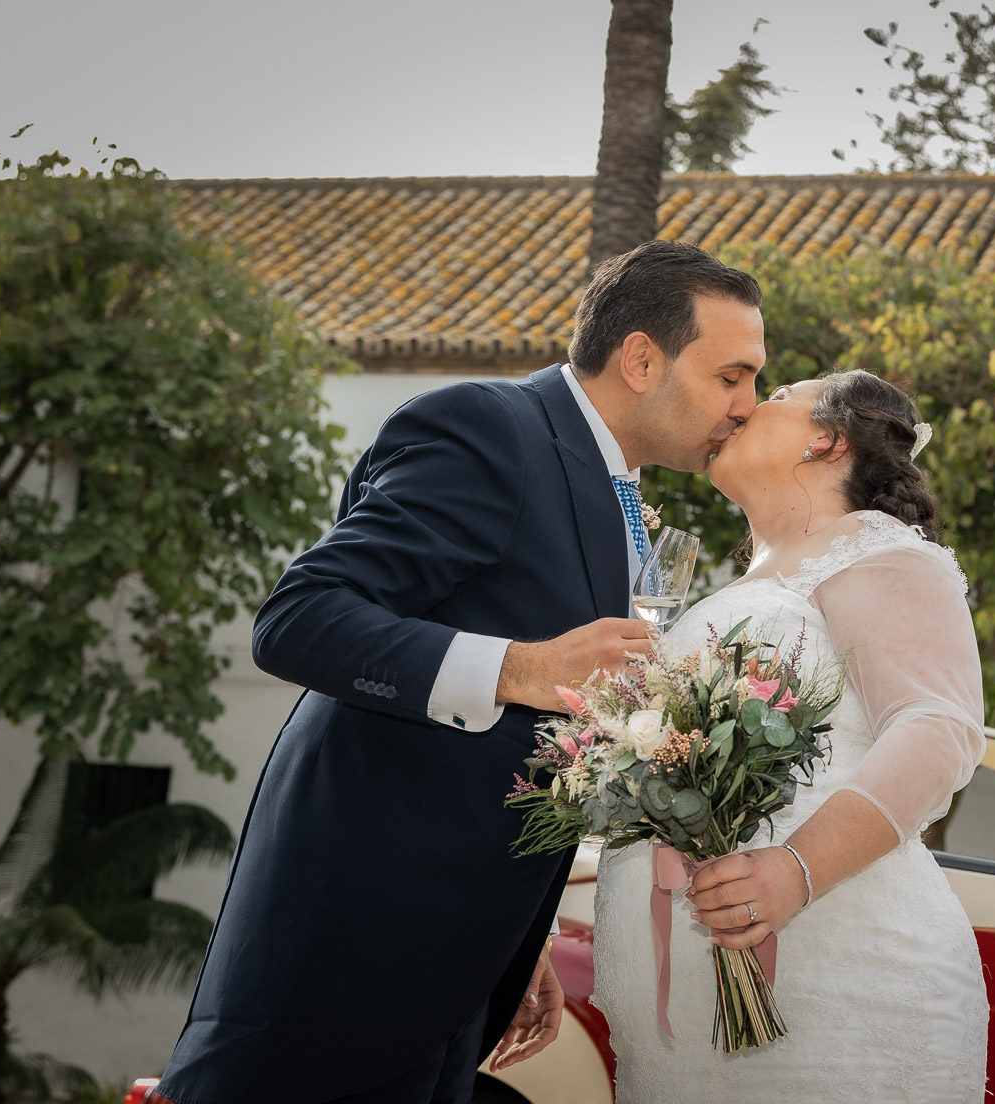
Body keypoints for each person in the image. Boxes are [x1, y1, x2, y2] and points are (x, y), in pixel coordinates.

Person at [156, 241, 766, 1104]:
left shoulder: (613, 486)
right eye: (732, 376)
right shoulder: (491, 427)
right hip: (350, 941)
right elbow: (300, 618)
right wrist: (523, 667)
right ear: (640, 358)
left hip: (456, 961)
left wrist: (521, 938)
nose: (748, 407)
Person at [589, 369, 990, 1101]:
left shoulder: (874, 547)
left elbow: (938, 729)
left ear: (825, 439)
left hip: (834, 992)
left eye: (773, 397)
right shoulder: (738, 584)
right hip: (685, 1028)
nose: (742, 407)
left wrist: (794, 870)